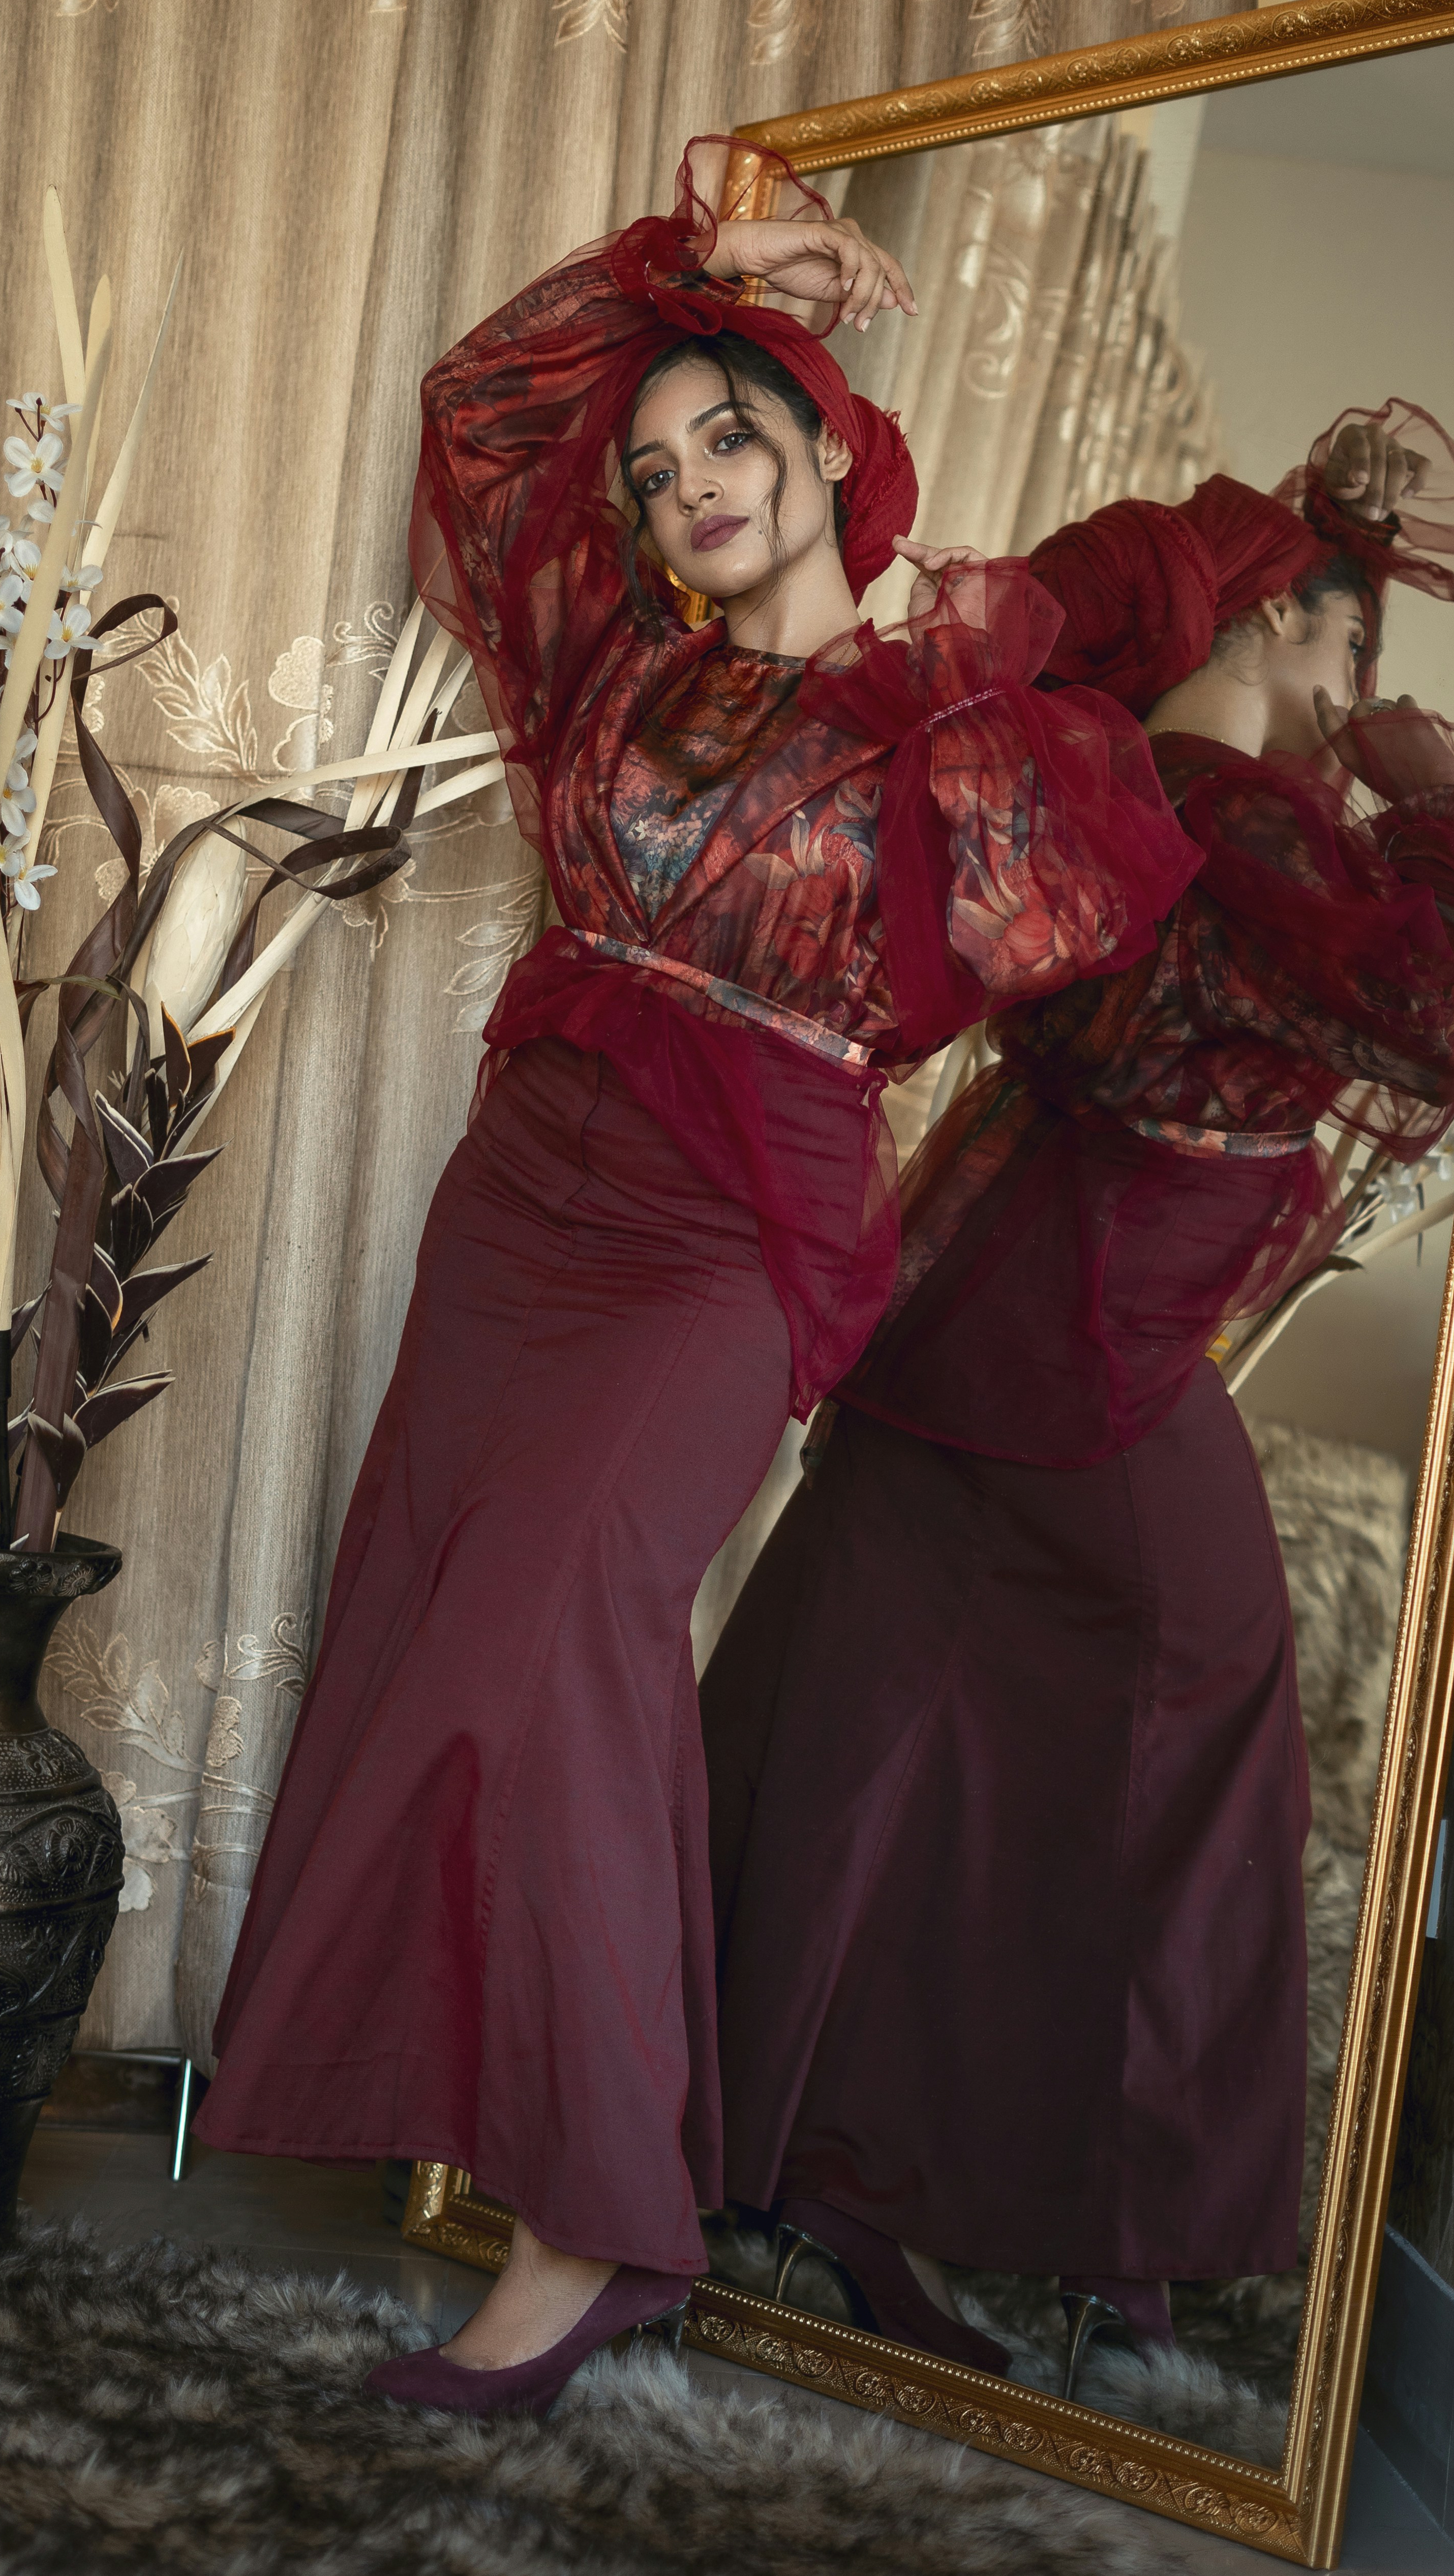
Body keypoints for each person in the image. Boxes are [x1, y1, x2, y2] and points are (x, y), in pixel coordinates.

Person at [193, 143, 1199, 2417]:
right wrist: (686, 272)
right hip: (519, 1198)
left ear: (830, 435)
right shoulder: (613, 663)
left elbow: (1068, 929)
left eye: (730, 428)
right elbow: (481, 417)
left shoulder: (960, 705)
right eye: (655, 467)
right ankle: (588, 2182)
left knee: (561, 1644)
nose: (684, 484)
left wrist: (950, 661)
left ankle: (595, 2230)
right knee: (466, 1646)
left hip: (727, 1235)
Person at [698, 404, 1454, 2395]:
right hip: (1072, 1340)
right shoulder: (1225, 810)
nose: (1358, 696)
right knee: (1161, 1695)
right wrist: (1431, 813)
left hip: (1013, 1314)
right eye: (1352, 651)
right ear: (1292, 622)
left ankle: (795, 2156)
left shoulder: (1133, 784)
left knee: (849, 1704)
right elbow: (1432, 1018)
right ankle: (1086, 2241)